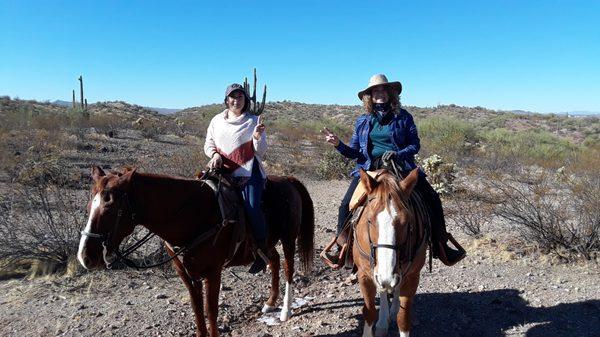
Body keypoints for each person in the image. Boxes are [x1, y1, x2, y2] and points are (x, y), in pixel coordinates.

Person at [321, 74, 466, 266]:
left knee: (432, 197)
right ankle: (343, 248)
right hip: (371, 169)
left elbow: (415, 145)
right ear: (370, 96)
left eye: (383, 89)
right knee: (346, 204)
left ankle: (441, 245)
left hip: (400, 167)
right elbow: (354, 152)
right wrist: (338, 144)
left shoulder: (404, 117)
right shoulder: (363, 121)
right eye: (375, 91)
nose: (379, 93)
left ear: (390, 93)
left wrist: (398, 153)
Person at [204, 83, 269, 274]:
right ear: (226, 100)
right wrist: (214, 154)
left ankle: (262, 251)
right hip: (222, 170)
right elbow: (209, 143)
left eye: (240, 97)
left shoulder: (253, 120)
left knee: (252, 207)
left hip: (248, 172)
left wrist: (257, 137)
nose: (236, 100)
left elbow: (261, 151)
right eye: (232, 97)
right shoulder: (216, 120)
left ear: (245, 100)